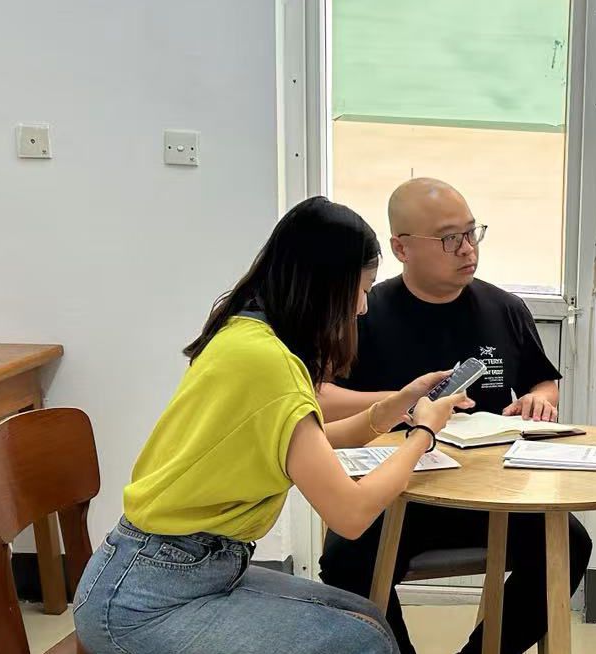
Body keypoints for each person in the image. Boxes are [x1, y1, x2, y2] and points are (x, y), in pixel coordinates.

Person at [73, 197, 472, 654]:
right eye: (361, 289)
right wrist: (423, 434)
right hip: (145, 598)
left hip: (174, 570)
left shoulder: (245, 334)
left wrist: (396, 404)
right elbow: (352, 514)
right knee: (363, 640)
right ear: (326, 286)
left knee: (367, 618)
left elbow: (307, 446)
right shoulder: (268, 363)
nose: (362, 307)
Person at [318, 178, 593, 654]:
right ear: (401, 248)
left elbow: (543, 381)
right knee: (345, 559)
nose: (468, 249)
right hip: (396, 492)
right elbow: (319, 397)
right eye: (449, 239)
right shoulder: (363, 312)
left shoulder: (504, 308)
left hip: (490, 493)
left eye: (471, 233)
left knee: (569, 543)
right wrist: (401, 402)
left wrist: (539, 400)